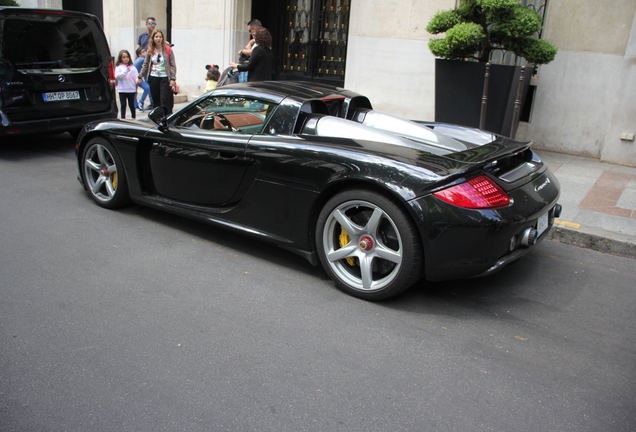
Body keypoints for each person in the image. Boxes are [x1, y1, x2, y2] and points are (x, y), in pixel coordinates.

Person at [137, 29, 178, 114]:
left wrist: (172, 79)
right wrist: (140, 76)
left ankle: (167, 117)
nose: (158, 39)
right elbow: (146, 64)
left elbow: (173, 65)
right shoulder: (150, 50)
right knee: (156, 101)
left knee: (164, 99)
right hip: (153, 77)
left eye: (160, 37)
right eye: (156, 37)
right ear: (153, 38)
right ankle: (158, 118)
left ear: (163, 38)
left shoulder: (167, 49)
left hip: (165, 77)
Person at [115, 50, 137, 120]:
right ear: (120, 58)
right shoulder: (118, 67)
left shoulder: (133, 67)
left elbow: (136, 76)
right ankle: (123, 119)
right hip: (122, 89)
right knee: (123, 105)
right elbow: (117, 76)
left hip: (131, 89)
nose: (126, 59)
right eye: (123, 57)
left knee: (132, 105)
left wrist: (138, 80)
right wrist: (126, 71)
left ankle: (133, 118)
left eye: (127, 57)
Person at [133, 47, 153, 112]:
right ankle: (139, 103)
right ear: (139, 54)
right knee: (146, 88)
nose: (145, 52)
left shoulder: (139, 59)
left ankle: (137, 105)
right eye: (143, 51)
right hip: (135, 78)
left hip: (136, 77)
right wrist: (139, 77)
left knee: (135, 91)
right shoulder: (142, 59)